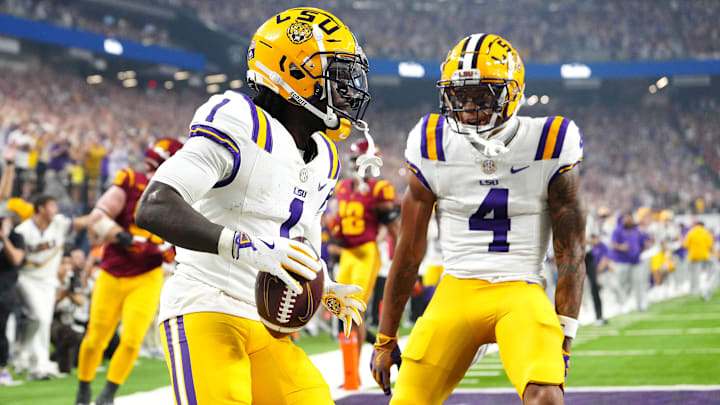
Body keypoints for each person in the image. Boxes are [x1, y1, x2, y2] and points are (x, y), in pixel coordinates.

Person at [136, 7, 371, 404]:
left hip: (265, 322)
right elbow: (155, 205)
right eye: (336, 76)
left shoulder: (325, 156)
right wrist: (247, 247)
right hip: (205, 306)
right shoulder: (240, 120)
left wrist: (324, 283)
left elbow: (299, 237)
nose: (348, 90)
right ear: (293, 74)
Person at [370, 34, 586, 405]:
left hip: (520, 290)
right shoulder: (431, 141)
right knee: (408, 401)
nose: (469, 108)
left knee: (545, 396)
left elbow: (570, 251)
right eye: (460, 95)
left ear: (511, 92)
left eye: (482, 96)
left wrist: (563, 337)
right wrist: (385, 337)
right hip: (456, 290)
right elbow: (407, 249)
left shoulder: (550, 140)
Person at [75, 138, 183, 405]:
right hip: (114, 271)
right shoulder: (131, 181)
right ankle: (83, 389)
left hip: (147, 275)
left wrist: (172, 249)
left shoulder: (179, 195)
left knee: (133, 340)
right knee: (95, 338)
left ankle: (108, 394)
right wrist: (122, 237)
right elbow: (97, 217)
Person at [332, 139, 399, 389]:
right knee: (343, 314)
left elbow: (393, 226)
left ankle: (354, 376)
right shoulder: (342, 188)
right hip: (347, 255)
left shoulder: (380, 189)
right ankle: (350, 374)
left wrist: (400, 260)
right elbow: (338, 220)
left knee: (354, 312)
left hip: (366, 253)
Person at [13, 195, 92, 380]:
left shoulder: (58, 223)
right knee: (39, 317)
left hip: (48, 282)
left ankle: (24, 354)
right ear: (40, 208)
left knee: (40, 320)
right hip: (28, 279)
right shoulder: (23, 230)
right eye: (52, 205)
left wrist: (100, 215)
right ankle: (38, 366)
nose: (55, 209)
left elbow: (79, 223)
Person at [0, 205, 25, 386]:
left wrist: (3, 238)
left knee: (1, 330)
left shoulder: (15, 237)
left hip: (4, 291)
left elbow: (16, 259)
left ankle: (3, 369)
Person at [610, 213, 648, 312]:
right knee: (622, 284)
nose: (628, 221)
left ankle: (640, 305)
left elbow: (643, 243)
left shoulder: (637, 231)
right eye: (626, 219)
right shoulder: (618, 231)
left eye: (630, 219)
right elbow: (613, 245)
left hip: (636, 261)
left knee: (638, 284)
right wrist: (621, 247)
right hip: (622, 262)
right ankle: (622, 304)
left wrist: (642, 249)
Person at [683, 220, 715, 300]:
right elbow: (710, 245)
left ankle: (694, 292)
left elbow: (686, 245)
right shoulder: (705, 233)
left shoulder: (691, 232)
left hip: (693, 257)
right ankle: (705, 289)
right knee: (706, 275)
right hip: (704, 257)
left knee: (694, 275)